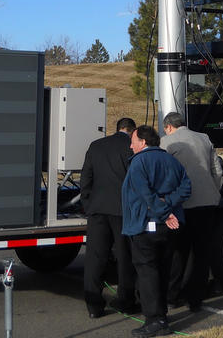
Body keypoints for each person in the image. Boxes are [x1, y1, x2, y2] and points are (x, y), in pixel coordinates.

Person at [122, 124, 191, 338]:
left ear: (143, 142)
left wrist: (164, 212)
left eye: (133, 141)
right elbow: (186, 187)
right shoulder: (171, 160)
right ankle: (161, 315)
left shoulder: (139, 162)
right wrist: (169, 206)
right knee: (162, 270)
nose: (131, 146)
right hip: (168, 226)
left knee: (148, 272)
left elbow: (146, 195)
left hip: (147, 225)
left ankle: (155, 320)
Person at [160, 111, 223, 311]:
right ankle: (195, 298)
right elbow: (218, 170)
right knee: (202, 252)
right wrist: (214, 190)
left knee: (178, 252)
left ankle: (172, 294)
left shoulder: (166, 142)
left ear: (168, 127)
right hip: (207, 202)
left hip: (182, 205)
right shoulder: (204, 138)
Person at [80, 117, 139, 318]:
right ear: (133, 131)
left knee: (95, 258)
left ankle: (93, 306)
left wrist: (88, 204)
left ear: (117, 129)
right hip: (123, 211)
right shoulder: (131, 147)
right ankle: (125, 300)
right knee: (125, 258)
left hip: (97, 209)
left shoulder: (96, 146)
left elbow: (85, 178)